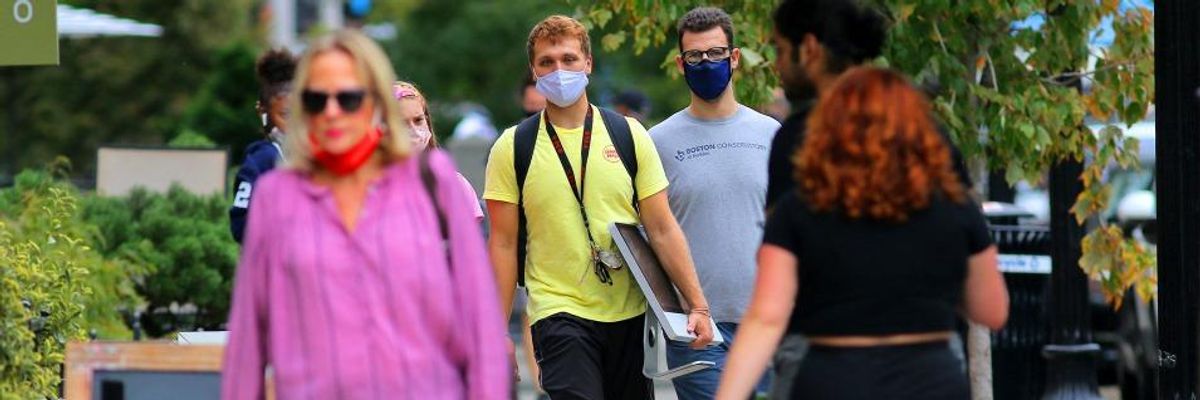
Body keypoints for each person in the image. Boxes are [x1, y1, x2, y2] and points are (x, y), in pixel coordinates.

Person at [221, 30, 508, 399]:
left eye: (349, 97)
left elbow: (479, 321)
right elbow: (248, 342)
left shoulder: (434, 183)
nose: (332, 111)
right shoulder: (277, 197)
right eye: (315, 98)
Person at [715, 67, 1009, 400]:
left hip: (831, 378)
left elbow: (766, 317)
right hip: (929, 377)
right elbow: (992, 311)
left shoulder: (799, 209)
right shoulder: (954, 207)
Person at [484, 15, 713, 399]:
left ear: (588, 63)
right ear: (534, 71)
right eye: (547, 62)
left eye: (569, 59)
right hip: (557, 310)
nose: (559, 70)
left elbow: (661, 226)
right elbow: (503, 244)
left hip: (630, 311)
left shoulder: (628, 135)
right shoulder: (512, 147)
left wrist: (698, 306)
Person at [647, 7, 779, 400]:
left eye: (716, 53)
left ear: (734, 57)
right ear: (680, 63)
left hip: (770, 324)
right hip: (697, 329)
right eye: (695, 56)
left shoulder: (772, 134)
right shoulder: (656, 143)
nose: (706, 63)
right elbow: (648, 232)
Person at [765, 0, 971, 208]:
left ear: (809, 49)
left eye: (780, 50)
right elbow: (969, 220)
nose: (777, 65)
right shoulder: (924, 131)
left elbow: (780, 234)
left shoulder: (799, 139)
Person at [393, 81, 485, 222]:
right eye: (402, 123)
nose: (414, 131)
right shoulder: (373, 188)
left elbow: (467, 240)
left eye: (418, 120)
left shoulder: (455, 184)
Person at [229, 49, 295, 244]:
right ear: (262, 111)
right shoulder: (261, 161)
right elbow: (240, 226)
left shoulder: (313, 157)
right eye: (285, 115)